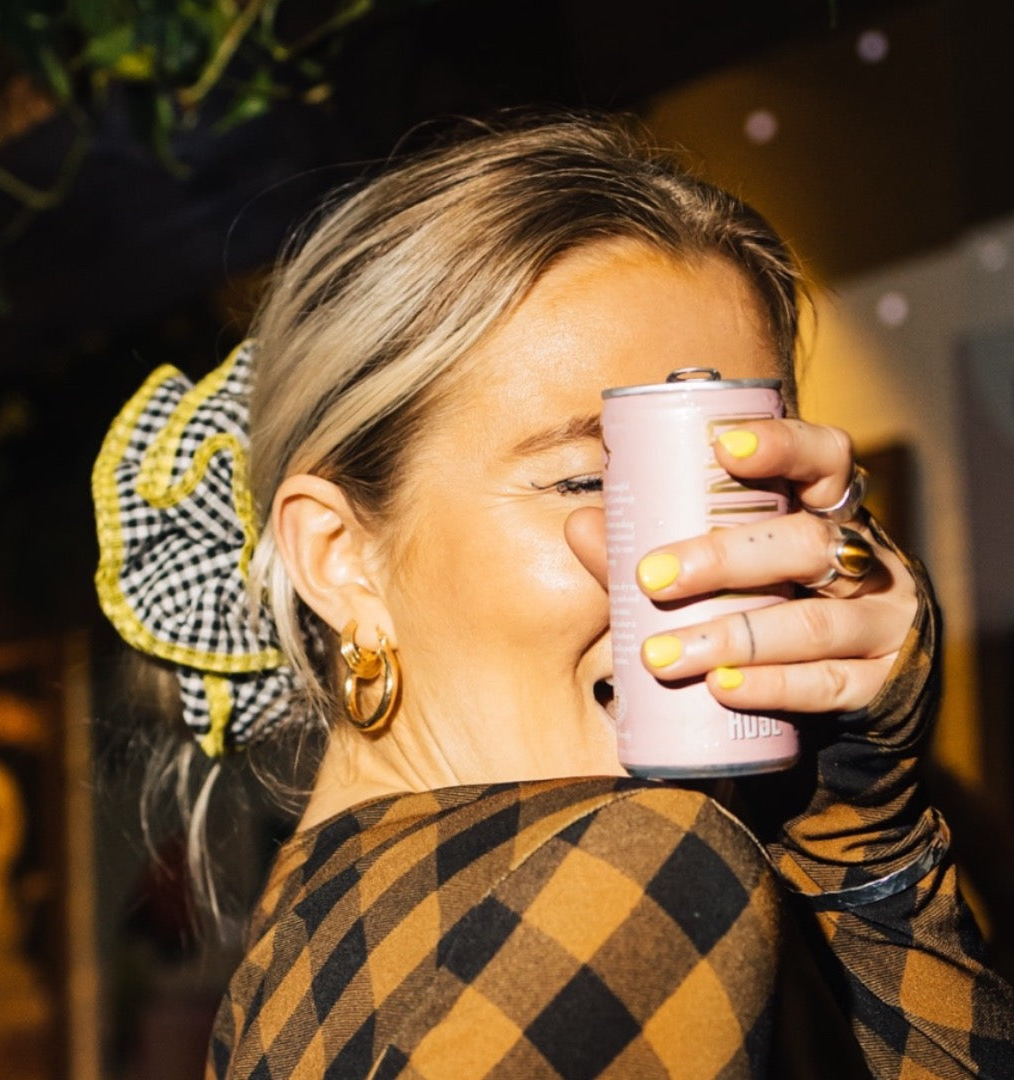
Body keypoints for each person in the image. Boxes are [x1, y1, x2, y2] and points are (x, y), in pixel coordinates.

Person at [93, 112, 1014, 1078]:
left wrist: (871, 844)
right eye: (587, 482)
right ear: (337, 556)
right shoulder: (644, 867)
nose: (707, 572)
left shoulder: (320, 958)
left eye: (747, 493)